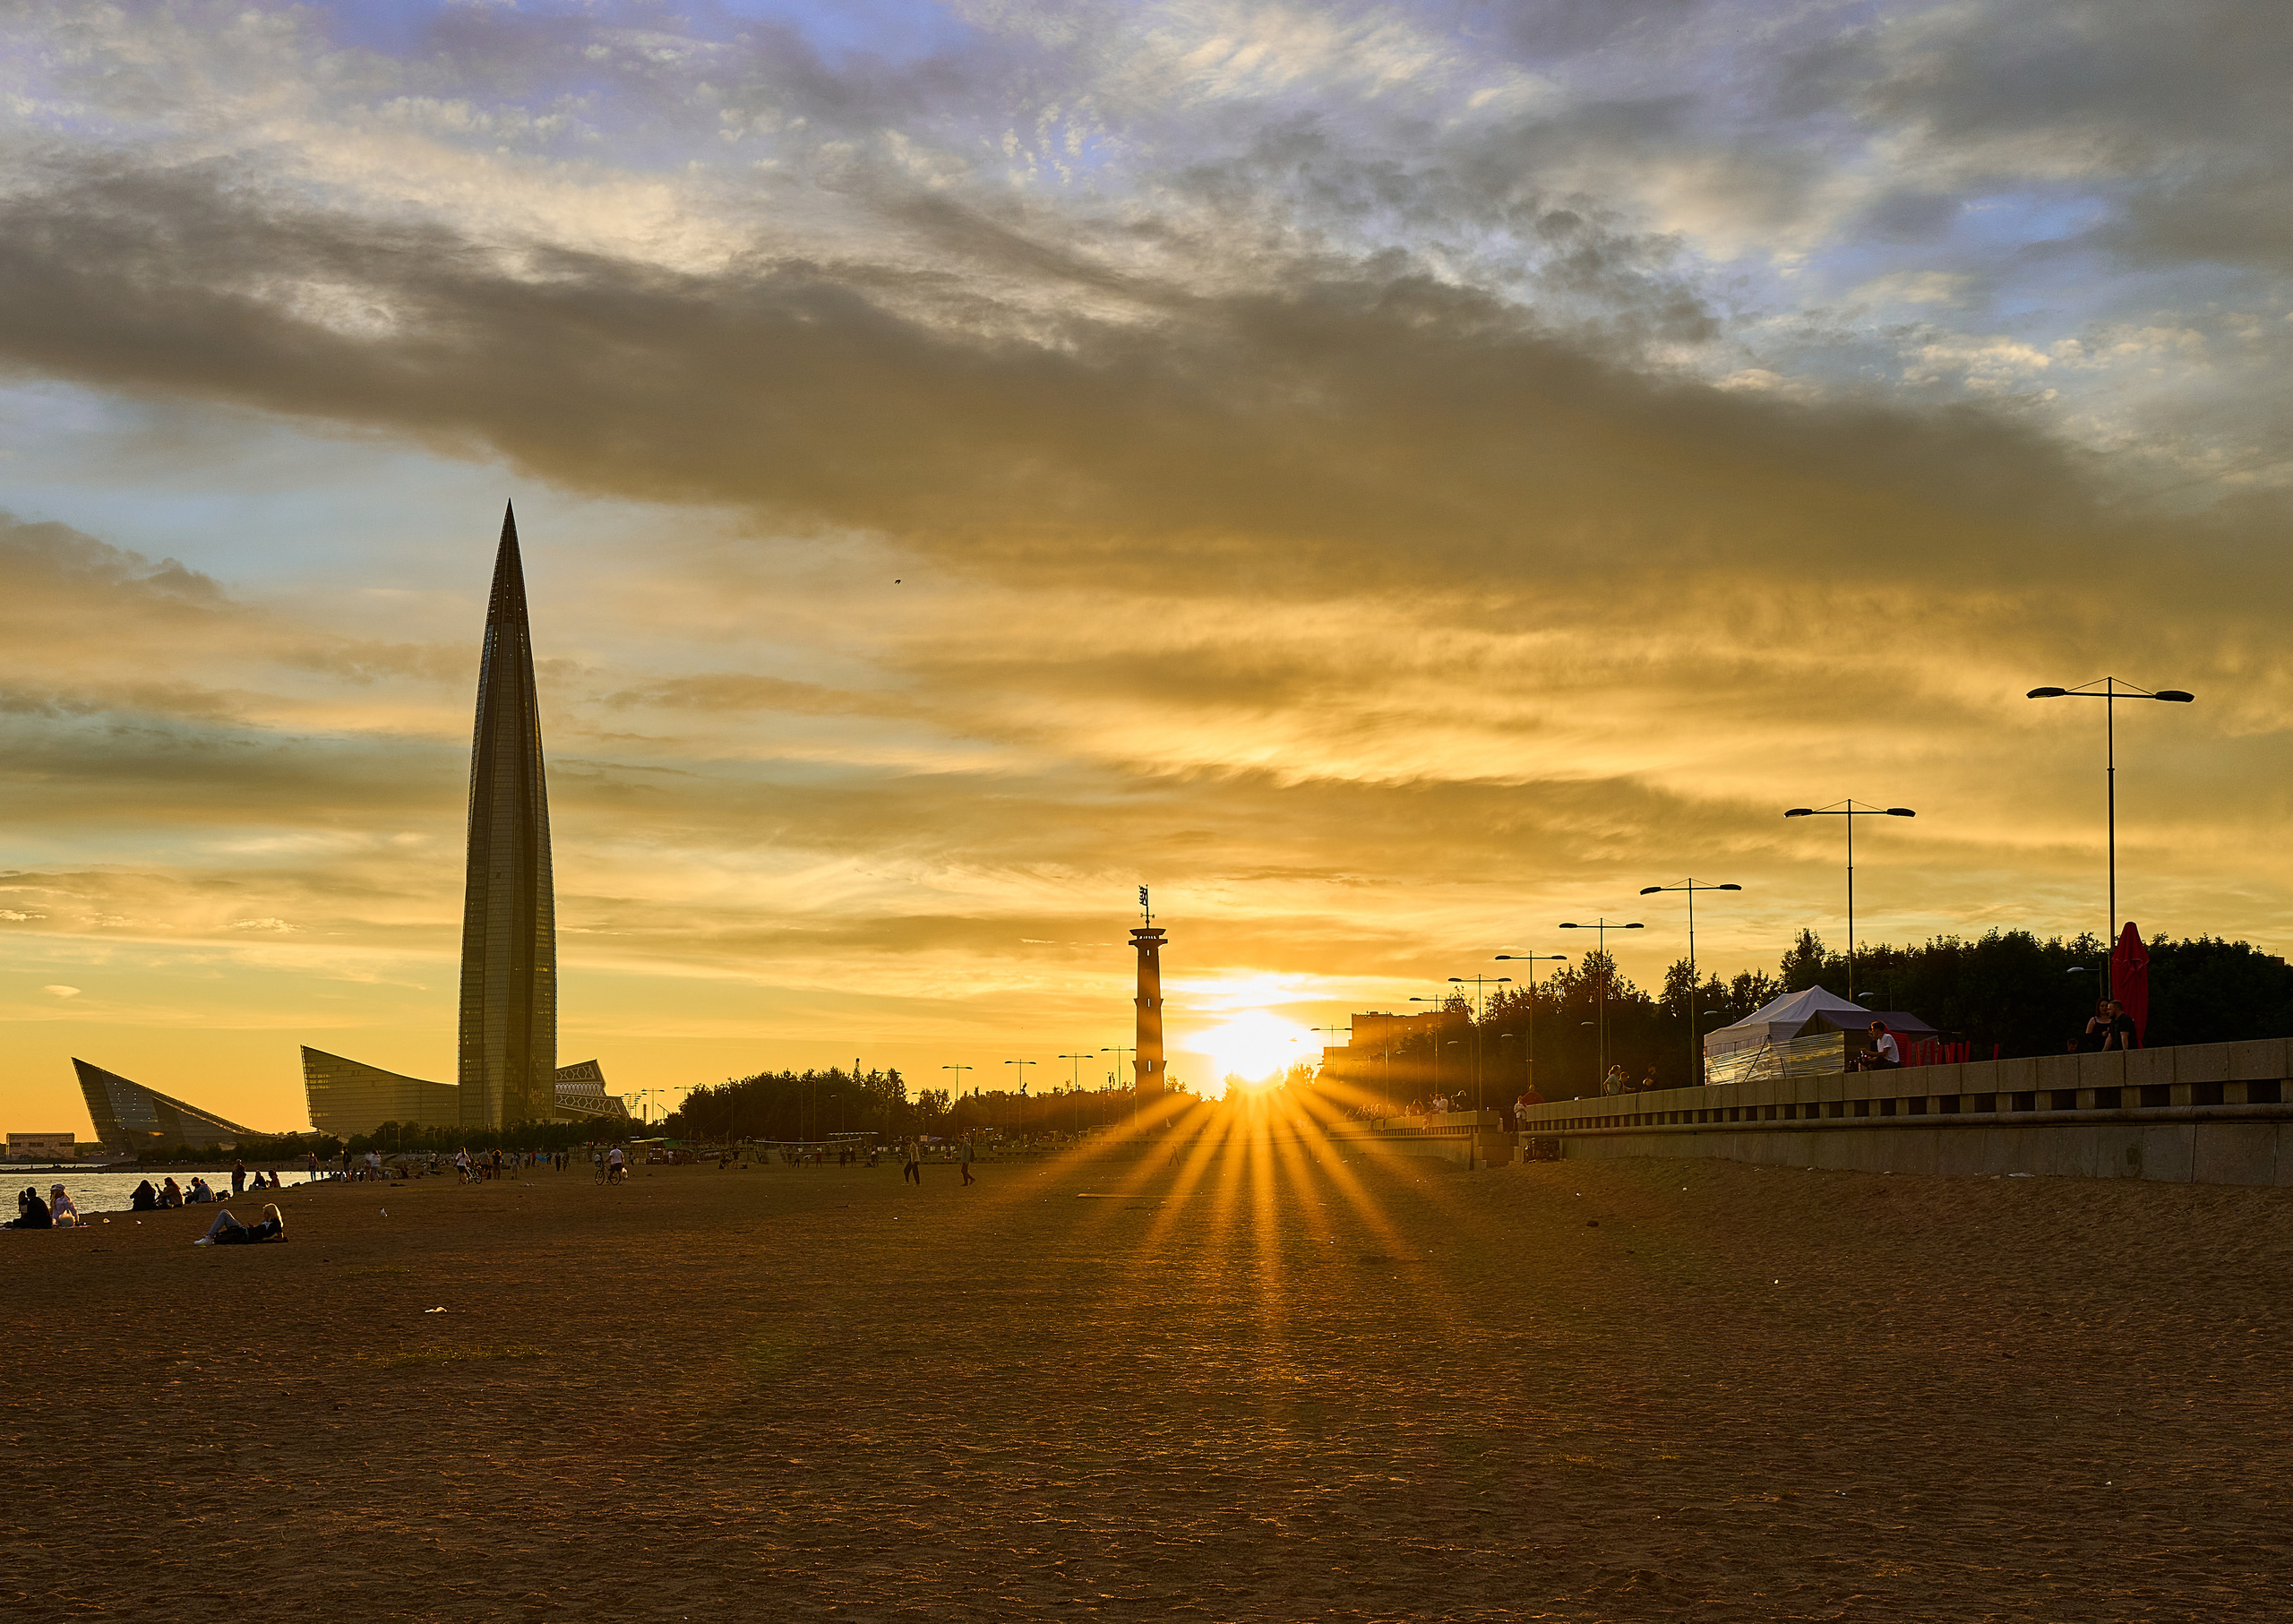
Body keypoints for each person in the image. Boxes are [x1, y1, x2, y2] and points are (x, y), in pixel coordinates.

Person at [193, 1203, 286, 1246]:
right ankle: (210, 1236)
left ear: (271, 1213)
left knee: (224, 1213)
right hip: (245, 1231)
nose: (264, 1215)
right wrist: (255, 1228)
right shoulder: (267, 1222)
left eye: (266, 1213)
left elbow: (280, 1238)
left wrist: (268, 1239)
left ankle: (209, 1237)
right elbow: (260, 1231)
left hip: (245, 1234)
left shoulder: (275, 1223)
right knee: (225, 1212)